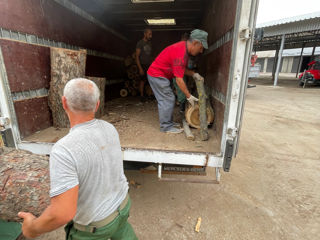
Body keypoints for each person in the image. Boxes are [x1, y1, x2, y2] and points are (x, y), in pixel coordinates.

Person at [18, 78, 138, 240]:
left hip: (97, 226)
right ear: (97, 105)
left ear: (64, 103)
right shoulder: (109, 128)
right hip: (123, 206)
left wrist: (32, 229)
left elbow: (62, 213)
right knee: (122, 231)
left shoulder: (64, 150)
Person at [147, 29, 207, 133]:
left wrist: (193, 74)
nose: (201, 51)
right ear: (195, 43)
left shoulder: (184, 48)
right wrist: (189, 96)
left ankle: (168, 123)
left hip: (161, 75)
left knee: (169, 98)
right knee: (167, 99)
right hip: (157, 75)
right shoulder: (181, 52)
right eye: (201, 48)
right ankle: (166, 127)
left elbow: (180, 69)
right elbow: (179, 79)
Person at [136, 28, 153, 102]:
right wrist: (140, 68)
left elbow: (150, 55)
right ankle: (141, 96)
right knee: (142, 81)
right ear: (145, 34)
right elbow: (137, 56)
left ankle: (149, 95)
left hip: (149, 64)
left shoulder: (150, 43)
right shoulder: (140, 43)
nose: (150, 36)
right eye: (149, 34)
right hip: (142, 64)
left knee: (150, 80)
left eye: (151, 34)